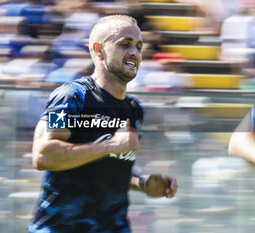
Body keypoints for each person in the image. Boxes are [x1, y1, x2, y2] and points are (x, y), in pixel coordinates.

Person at [29, 15, 178, 233]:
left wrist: (143, 184)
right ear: (98, 50)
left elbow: (107, 169)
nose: (134, 53)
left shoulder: (134, 109)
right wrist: (110, 145)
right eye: (124, 44)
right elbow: (43, 155)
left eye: (138, 46)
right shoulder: (71, 96)